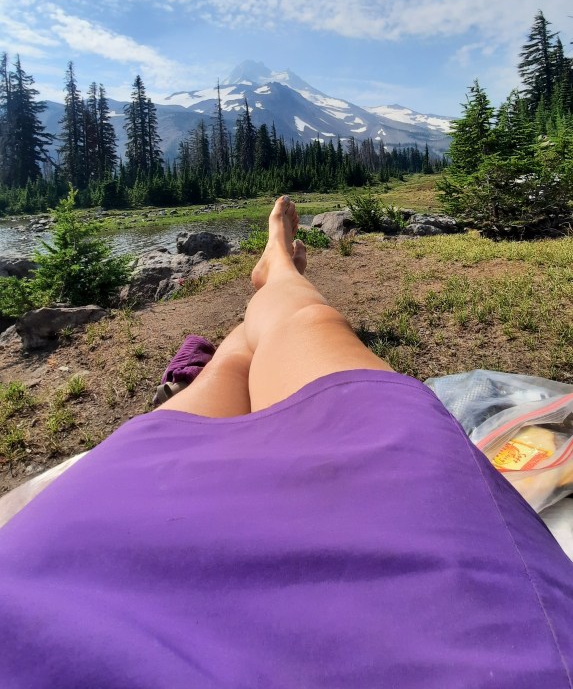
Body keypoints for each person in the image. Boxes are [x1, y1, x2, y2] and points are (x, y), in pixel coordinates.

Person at [0, 195, 572, 688]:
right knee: (301, 325)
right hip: (416, 533)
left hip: (82, 544)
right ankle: (278, 273)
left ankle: (273, 279)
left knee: (237, 361)